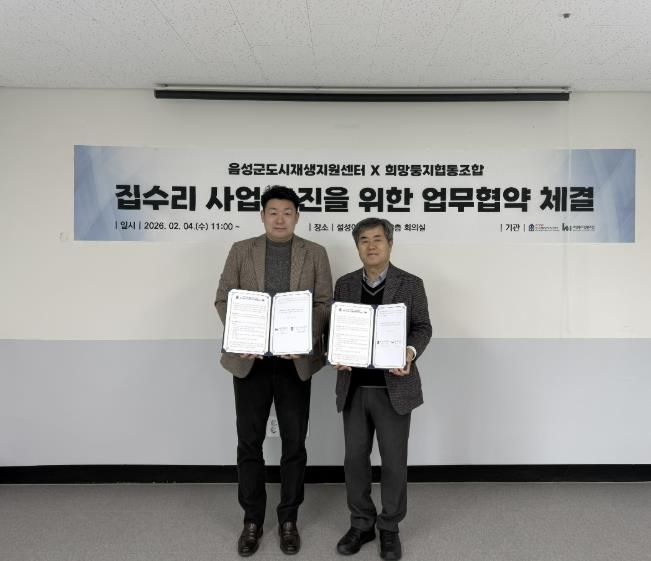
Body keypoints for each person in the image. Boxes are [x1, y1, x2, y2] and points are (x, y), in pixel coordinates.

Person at [215, 185, 332, 557]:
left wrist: (303, 338)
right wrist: (241, 335)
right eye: (273, 212)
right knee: (249, 442)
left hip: (294, 363)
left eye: (287, 212)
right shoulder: (241, 250)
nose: (280, 219)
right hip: (250, 362)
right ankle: (252, 520)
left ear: (297, 216)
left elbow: (324, 303)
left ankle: (288, 519)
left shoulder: (315, 252)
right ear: (262, 215)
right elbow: (224, 298)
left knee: (294, 443)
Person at [332, 218, 432, 561]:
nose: (371, 245)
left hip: (394, 389)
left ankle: (390, 527)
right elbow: (336, 328)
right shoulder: (345, 284)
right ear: (357, 246)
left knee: (393, 461)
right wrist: (335, 352)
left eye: (378, 239)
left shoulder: (411, 284)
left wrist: (409, 352)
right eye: (364, 240)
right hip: (355, 388)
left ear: (390, 244)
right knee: (354, 460)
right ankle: (361, 523)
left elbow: (422, 327)